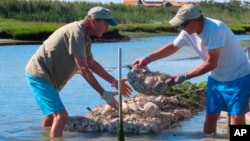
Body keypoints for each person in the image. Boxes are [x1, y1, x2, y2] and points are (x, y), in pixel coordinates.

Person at [132, 3, 250, 134]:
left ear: (194, 22)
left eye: (182, 24)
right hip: (217, 78)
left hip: (238, 77)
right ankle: (208, 138)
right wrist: (147, 59)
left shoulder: (216, 29)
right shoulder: (187, 32)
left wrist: (185, 76)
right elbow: (172, 47)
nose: (180, 28)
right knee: (211, 116)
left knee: (237, 117)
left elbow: (211, 63)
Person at [25, 6, 132, 138]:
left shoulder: (85, 37)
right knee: (62, 116)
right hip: (40, 74)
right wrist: (103, 93)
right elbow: (83, 68)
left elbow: (91, 63)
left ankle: (45, 136)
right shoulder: (76, 33)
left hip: (48, 77)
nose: (107, 29)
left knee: (52, 115)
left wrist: (114, 81)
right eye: (105, 24)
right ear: (93, 21)